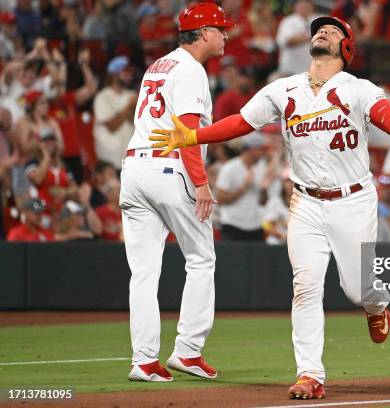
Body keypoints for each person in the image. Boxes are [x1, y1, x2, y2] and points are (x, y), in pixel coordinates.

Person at [149, 16, 390, 399]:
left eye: (334, 31)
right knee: (305, 288)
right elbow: (241, 123)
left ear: (346, 49)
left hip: (352, 200)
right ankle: (310, 374)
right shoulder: (284, 89)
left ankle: (377, 305)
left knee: (357, 288)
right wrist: (195, 135)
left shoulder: (358, 88)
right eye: (321, 28)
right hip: (305, 202)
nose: (324, 31)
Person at [121, 3, 234, 383]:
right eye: (220, 29)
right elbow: (186, 130)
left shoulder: (159, 65)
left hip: (134, 168)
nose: (226, 35)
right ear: (203, 33)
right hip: (169, 168)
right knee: (201, 259)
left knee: (143, 272)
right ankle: (188, 351)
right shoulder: (191, 69)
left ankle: (143, 360)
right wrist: (201, 182)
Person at [216, 132, 268, 241]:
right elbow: (220, 199)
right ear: (251, 150)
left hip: (255, 226)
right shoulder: (229, 168)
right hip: (232, 225)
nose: (263, 153)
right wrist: (243, 188)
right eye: (260, 149)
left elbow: (263, 201)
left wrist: (264, 190)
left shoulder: (261, 166)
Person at [93, 56, 138, 171]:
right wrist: (128, 107)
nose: (130, 75)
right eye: (126, 72)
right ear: (114, 74)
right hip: (110, 161)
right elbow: (112, 126)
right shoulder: (102, 97)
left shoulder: (132, 95)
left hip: (131, 160)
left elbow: (137, 123)